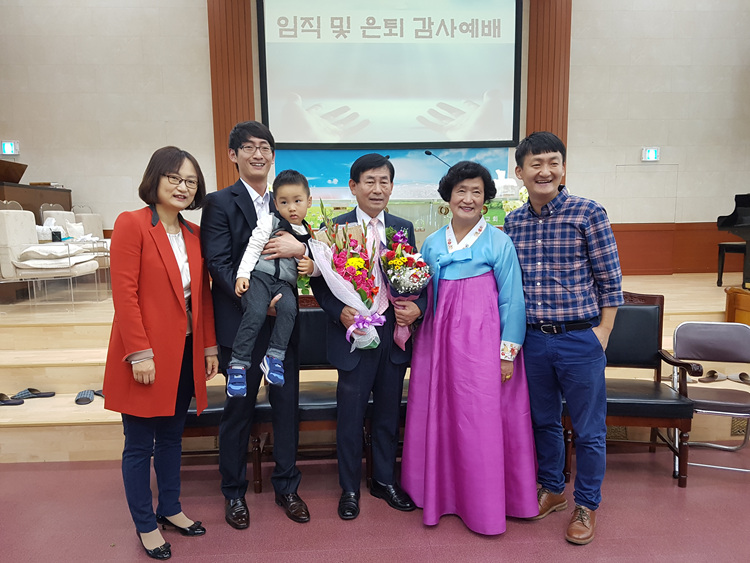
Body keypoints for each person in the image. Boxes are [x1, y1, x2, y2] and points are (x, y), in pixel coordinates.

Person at [400, 161, 538, 535]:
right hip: (437, 345)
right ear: (448, 197)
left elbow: (512, 300)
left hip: (482, 346)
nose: (468, 198)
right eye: (461, 190)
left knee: (480, 420)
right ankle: (441, 494)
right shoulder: (431, 244)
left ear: (486, 199)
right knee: (441, 414)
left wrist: (506, 354)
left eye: (476, 191)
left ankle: (483, 503)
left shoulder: (499, 242)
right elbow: (423, 296)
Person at [503, 131, 623, 545]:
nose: (545, 171)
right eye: (535, 164)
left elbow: (611, 280)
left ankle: (586, 504)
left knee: (589, 430)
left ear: (563, 167)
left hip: (579, 339)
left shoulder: (587, 212)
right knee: (543, 421)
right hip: (534, 341)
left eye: (553, 162)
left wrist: (602, 333)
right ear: (520, 172)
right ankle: (552, 489)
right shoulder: (513, 222)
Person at [103, 146, 219, 560]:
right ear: (155, 178)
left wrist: (208, 346)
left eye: (191, 181)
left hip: (185, 352)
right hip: (146, 354)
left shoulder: (194, 234)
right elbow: (125, 294)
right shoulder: (131, 224)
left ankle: (170, 507)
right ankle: (145, 524)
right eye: (175, 178)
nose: (183, 187)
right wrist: (139, 353)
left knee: (172, 438)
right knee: (139, 444)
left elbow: (201, 296)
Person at [200, 121, 310, 529]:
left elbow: (308, 253)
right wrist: (256, 303)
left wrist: (302, 250)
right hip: (241, 327)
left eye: (265, 147)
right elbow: (219, 264)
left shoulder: (288, 201)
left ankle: (287, 487)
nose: (258, 154)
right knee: (238, 412)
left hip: (282, 329)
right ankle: (234, 493)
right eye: (249, 147)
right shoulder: (219, 203)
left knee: (286, 411)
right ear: (234, 155)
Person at [310, 153, 426, 520]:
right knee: (351, 415)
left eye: (384, 182)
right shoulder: (334, 228)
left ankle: (384, 481)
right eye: (370, 181)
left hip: (392, 336)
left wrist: (417, 307)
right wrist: (339, 311)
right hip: (354, 336)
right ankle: (349, 488)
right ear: (353, 186)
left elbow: (415, 277)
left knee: (388, 415)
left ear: (391, 187)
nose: (378, 189)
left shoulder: (403, 228)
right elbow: (319, 282)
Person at [227, 169, 316, 394]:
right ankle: (238, 364)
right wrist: (243, 274)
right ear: (275, 204)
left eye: (297, 201)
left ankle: (274, 357)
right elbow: (254, 246)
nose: (292, 208)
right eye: (284, 202)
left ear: (309, 201)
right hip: (260, 277)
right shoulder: (270, 221)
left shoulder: (308, 232)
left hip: (284, 284)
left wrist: (307, 263)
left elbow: (313, 262)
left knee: (289, 310)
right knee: (256, 311)